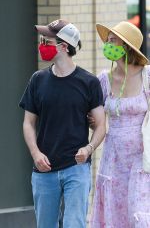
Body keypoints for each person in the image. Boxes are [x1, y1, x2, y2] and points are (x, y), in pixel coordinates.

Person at [19, 19, 106, 228]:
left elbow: (101, 125)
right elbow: (28, 123)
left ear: (64, 46)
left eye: (46, 40)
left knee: (74, 224)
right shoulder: (37, 80)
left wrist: (89, 148)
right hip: (44, 171)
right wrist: (36, 154)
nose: (42, 44)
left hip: (76, 169)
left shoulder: (89, 82)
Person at [90, 21, 150, 227]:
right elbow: (96, 121)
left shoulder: (147, 75)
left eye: (113, 40)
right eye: (108, 40)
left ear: (126, 46)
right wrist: (92, 123)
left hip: (141, 157)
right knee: (114, 210)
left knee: (139, 211)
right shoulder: (103, 80)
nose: (108, 44)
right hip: (113, 156)